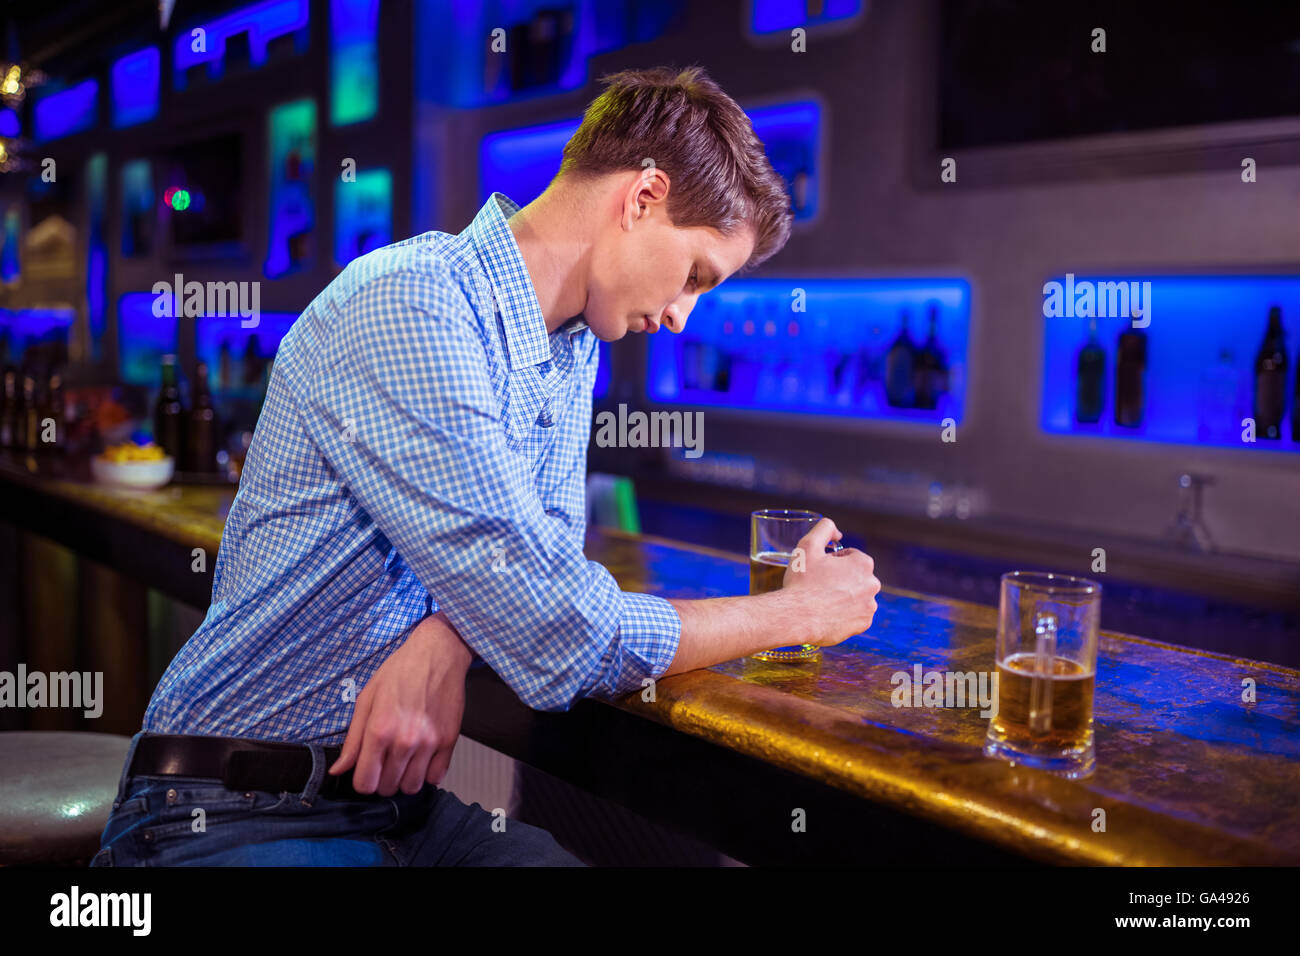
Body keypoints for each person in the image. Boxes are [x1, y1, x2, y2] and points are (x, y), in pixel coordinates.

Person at [92, 65, 881, 867]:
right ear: (643, 197)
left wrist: (447, 635)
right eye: (696, 276)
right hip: (224, 808)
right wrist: (797, 614)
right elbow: (560, 629)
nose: (682, 316)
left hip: (390, 811)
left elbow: (542, 563)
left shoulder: (572, 349)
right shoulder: (412, 302)